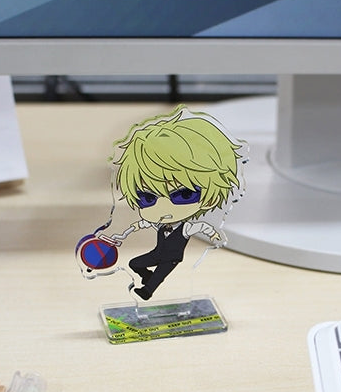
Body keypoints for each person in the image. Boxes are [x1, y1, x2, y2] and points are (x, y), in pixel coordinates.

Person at [103, 106, 243, 300]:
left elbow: (203, 226)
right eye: (147, 198)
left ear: (208, 198)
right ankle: (147, 277)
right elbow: (140, 224)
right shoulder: (159, 224)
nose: (164, 209)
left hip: (172, 258)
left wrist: (214, 235)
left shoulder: (186, 228)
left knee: (159, 276)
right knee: (134, 263)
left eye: (185, 195)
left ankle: (147, 291)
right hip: (157, 254)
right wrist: (121, 235)